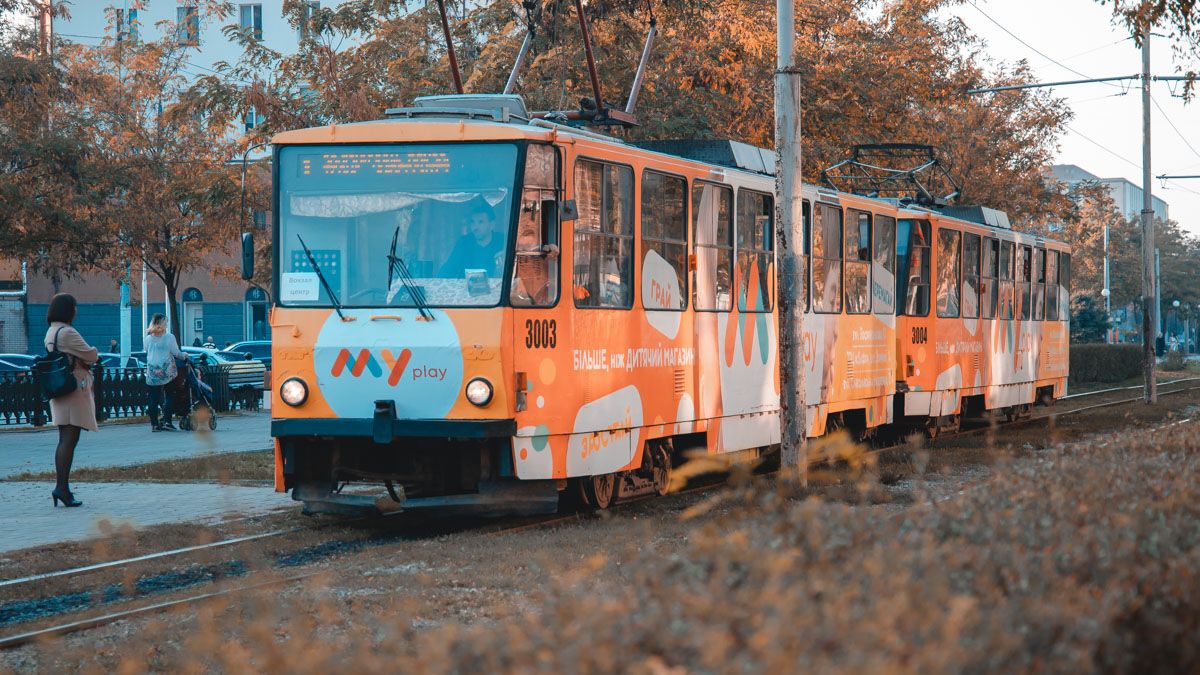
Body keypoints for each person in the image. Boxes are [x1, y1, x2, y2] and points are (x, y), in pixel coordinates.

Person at [44, 293, 98, 508]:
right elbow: (91, 355)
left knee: (64, 439)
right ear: (68, 310)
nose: (76, 311)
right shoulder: (67, 332)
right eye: (74, 307)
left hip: (59, 389)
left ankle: (62, 488)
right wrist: (92, 354)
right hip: (73, 390)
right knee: (69, 440)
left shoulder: (52, 331)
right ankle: (62, 488)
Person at [439, 203, 504, 278]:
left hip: (496, 288)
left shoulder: (502, 242)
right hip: (466, 288)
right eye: (472, 222)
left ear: (492, 225)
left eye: (480, 222)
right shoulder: (464, 242)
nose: (475, 227)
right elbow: (449, 268)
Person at [145, 314, 185, 432]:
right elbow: (176, 353)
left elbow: (146, 350)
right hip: (166, 370)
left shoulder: (148, 338)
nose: (167, 325)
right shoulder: (169, 337)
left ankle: (154, 425)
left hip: (152, 371)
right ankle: (167, 421)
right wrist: (185, 356)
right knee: (170, 395)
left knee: (153, 399)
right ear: (163, 324)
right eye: (166, 322)